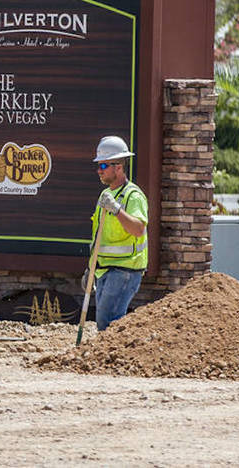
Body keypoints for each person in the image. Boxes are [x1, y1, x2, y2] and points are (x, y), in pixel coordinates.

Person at [90, 135, 149, 332]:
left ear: (119, 167)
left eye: (104, 166)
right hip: (105, 269)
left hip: (124, 270)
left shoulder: (133, 196)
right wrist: (91, 268)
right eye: (99, 166)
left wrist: (116, 210)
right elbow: (100, 235)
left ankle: (111, 360)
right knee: (104, 323)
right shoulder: (106, 195)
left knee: (108, 323)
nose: (99, 170)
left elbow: (138, 229)